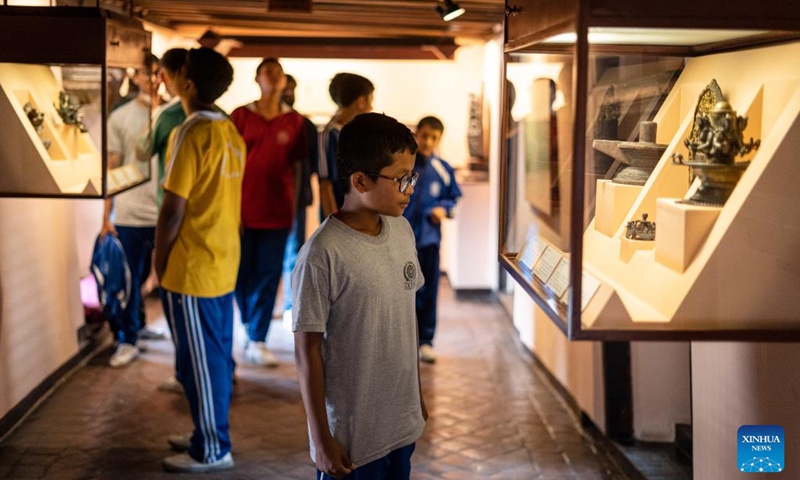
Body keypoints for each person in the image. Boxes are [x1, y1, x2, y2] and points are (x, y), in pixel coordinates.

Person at [293, 112, 428, 480]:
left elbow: (407, 317)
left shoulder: (402, 231)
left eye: (412, 177)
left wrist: (416, 395)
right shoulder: (323, 254)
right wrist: (321, 439)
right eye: (402, 179)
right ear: (360, 180)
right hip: (353, 438)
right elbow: (307, 350)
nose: (410, 189)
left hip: (401, 422)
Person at [155, 47, 244, 473]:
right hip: (222, 262)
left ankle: (213, 447)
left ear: (187, 83)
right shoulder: (229, 129)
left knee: (201, 364)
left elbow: (173, 209)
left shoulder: (190, 133)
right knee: (211, 358)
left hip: (193, 268)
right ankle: (204, 432)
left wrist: (159, 260)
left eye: (178, 71)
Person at [231, 58, 307, 367]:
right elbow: (229, 164)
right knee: (239, 275)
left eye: (278, 72)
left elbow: (299, 168)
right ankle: (248, 324)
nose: (274, 77)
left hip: (277, 213)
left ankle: (258, 338)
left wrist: (294, 207)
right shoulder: (240, 116)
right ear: (257, 78)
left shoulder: (295, 122)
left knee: (268, 274)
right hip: (241, 212)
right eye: (268, 72)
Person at [101, 54, 163, 368]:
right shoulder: (120, 117)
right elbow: (112, 168)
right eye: (144, 73)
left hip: (165, 211)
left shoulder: (171, 115)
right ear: (135, 77)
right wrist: (105, 217)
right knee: (129, 279)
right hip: (128, 212)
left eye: (156, 73)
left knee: (166, 281)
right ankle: (128, 339)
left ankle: (154, 335)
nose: (151, 79)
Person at [403, 116, 462, 364]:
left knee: (428, 293)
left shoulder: (443, 169)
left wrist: (443, 210)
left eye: (433, 138)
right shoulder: (403, 166)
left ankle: (426, 342)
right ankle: (402, 343)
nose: (427, 141)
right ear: (416, 134)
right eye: (424, 135)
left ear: (439, 140)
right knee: (402, 294)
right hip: (402, 242)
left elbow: (453, 201)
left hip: (429, 242)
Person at [280, 74, 319, 321]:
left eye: (291, 89)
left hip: (296, 199)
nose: (288, 94)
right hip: (264, 201)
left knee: (294, 253)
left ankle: (289, 306)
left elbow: (312, 164)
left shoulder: (304, 125)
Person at [317, 72, 374, 220]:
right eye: (370, 101)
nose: (371, 107)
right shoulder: (330, 135)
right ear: (361, 101)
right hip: (341, 218)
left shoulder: (362, 135)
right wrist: (334, 222)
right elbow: (325, 184)